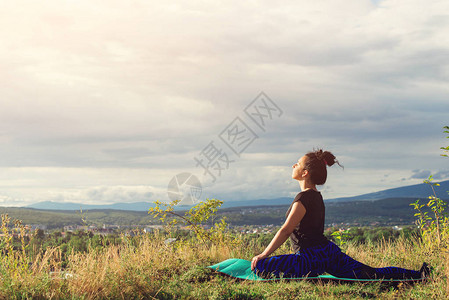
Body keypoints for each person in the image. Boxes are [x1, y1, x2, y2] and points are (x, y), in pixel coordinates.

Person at [250, 149, 430, 279]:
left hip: (309, 259)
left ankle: (308, 273)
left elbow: (286, 230)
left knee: (261, 267)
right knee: (371, 273)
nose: (293, 165)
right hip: (328, 252)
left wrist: (263, 254)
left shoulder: (302, 199)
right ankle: (418, 275)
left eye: (297, 163)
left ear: (305, 173)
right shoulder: (316, 197)